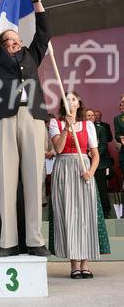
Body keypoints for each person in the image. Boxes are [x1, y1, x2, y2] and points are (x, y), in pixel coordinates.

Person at [0, 0, 51, 257]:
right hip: (4, 118)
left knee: (34, 178)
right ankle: (7, 242)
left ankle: (34, 240)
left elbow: (44, 33)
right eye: (8, 40)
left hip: (32, 116)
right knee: (5, 178)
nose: (13, 42)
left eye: (16, 39)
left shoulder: (32, 55)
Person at [49, 92, 110, 279]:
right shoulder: (55, 124)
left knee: (85, 215)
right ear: (63, 104)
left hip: (83, 170)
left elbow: (95, 153)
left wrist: (91, 172)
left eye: (73, 99)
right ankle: (74, 264)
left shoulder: (88, 125)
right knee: (68, 215)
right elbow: (58, 149)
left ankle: (85, 264)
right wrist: (67, 127)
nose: (70, 101)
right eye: (67, 99)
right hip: (64, 170)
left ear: (79, 103)